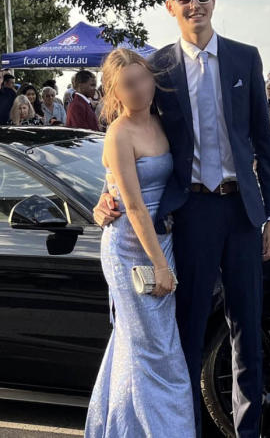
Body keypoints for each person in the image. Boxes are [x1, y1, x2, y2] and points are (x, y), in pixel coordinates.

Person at [92, 0, 270, 438]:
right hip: (190, 214)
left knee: (248, 331)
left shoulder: (245, 58)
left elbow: (264, 141)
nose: (194, 5)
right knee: (188, 335)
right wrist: (106, 195)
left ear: (213, 0)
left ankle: (249, 431)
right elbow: (129, 138)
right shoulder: (157, 69)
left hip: (243, 211)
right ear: (170, 7)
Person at [83, 49, 195, 438]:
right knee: (155, 351)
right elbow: (131, 204)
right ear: (114, 92)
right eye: (128, 85)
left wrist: (102, 198)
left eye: (143, 78)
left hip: (160, 241)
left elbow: (113, 187)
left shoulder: (164, 121)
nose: (140, 90)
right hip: (129, 250)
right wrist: (160, 266)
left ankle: (114, 430)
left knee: (133, 345)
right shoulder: (118, 133)